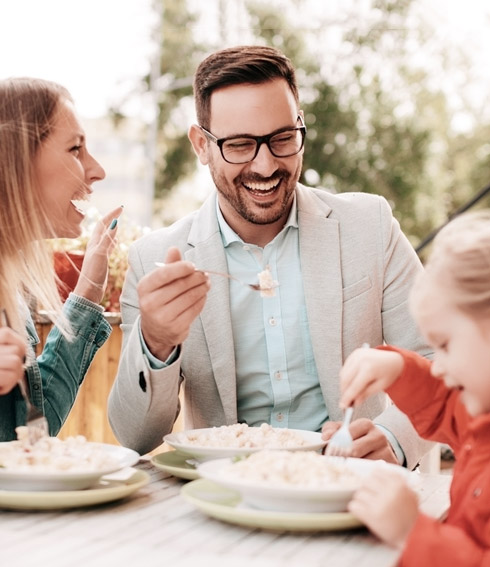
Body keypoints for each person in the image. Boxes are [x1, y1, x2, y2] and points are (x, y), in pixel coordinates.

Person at [108, 45, 433, 467]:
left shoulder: (369, 225)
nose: (265, 166)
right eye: (240, 145)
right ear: (201, 146)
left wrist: (392, 438)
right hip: (225, 495)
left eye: (282, 139)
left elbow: (438, 360)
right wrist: (157, 341)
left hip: (349, 486)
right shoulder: (154, 259)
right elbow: (136, 437)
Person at [337, 210, 490, 567]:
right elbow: (442, 404)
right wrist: (397, 369)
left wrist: (413, 535)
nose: (437, 365)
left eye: (443, 344)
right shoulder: (481, 416)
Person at [0, 77, 122, 440]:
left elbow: (35, 430)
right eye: (75, 149)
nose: (97, 169)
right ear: (15, 160)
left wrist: (90, 284)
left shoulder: (12, 290)